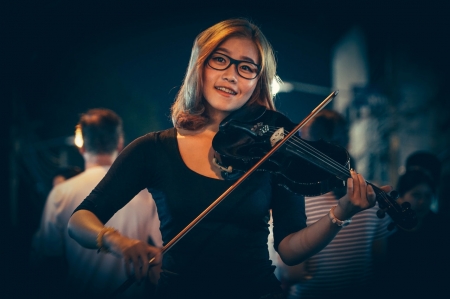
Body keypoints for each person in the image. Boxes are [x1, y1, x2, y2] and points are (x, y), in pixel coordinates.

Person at [67, 18, 391, 299]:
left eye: (246, 67)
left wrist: (341, 212)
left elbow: (290, 249)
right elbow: (79, 221)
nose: (232, 75)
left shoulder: (274, 150)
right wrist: (116, 241)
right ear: (200, 67)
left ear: (257, 82)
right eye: (220, 60)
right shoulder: (153, 149)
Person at [30, 108, 162, 298]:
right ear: (120, 143)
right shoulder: (145, 193)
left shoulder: (60, 193)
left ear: (81, 145)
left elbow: (45, 253)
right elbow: (161, 250)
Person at [272, 109, 395, 299]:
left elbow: (293, 274)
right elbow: (380, 264)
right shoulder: (373, 194)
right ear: (348, 143)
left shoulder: (298, 197)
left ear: (308, 146)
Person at [384, 169, 448, 298]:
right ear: (400, 197)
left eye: (428, 196)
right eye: (416, 195)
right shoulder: (388, 227)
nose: (422, 202)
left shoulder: (440, 227)